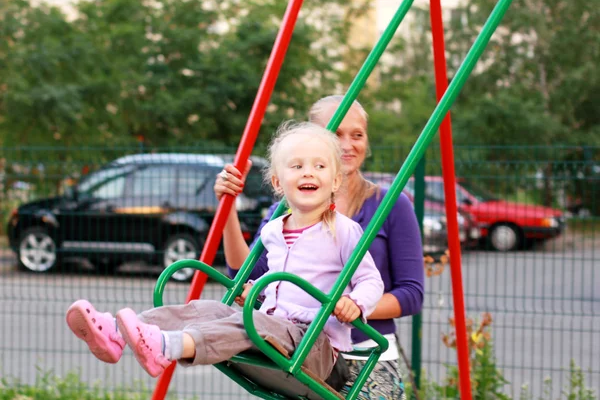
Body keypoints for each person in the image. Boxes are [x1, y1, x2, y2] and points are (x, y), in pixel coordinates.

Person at [65, 122, 384, 383]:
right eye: (297, 166)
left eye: (319, 166)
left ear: (335, 180)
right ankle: (117, 333)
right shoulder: (273, 230)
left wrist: (354, 303)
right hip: (277, 330)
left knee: (251, 324)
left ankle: (167, 346)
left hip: (319, 347)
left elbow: (371, 281)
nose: (308, 173)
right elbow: (280, 284)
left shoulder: (341, 230)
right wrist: (259, 295)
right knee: (207, 308)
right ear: (277, 181)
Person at [215, 95, 424, 399]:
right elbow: (243, 271)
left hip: (365, 356)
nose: (348, 144)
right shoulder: (288, 212)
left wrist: (343, 306)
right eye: (337, 133)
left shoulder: (390, 205)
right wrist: (228, 210)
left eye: (358, 134)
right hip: (300, 351)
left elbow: (411, 294)